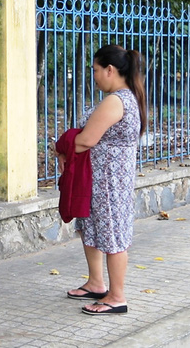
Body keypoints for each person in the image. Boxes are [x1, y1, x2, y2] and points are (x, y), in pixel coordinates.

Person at [58, 45, 147, 315]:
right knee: (91, 228)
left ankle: (117, 296)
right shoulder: (127, 97)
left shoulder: (116, 101)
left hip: (108, 183)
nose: (94, 76)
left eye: (96, 70)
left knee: (112, 236)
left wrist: (61, 145)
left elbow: (86, 140)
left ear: (110, 70)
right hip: (102, 179)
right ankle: (96, 283)